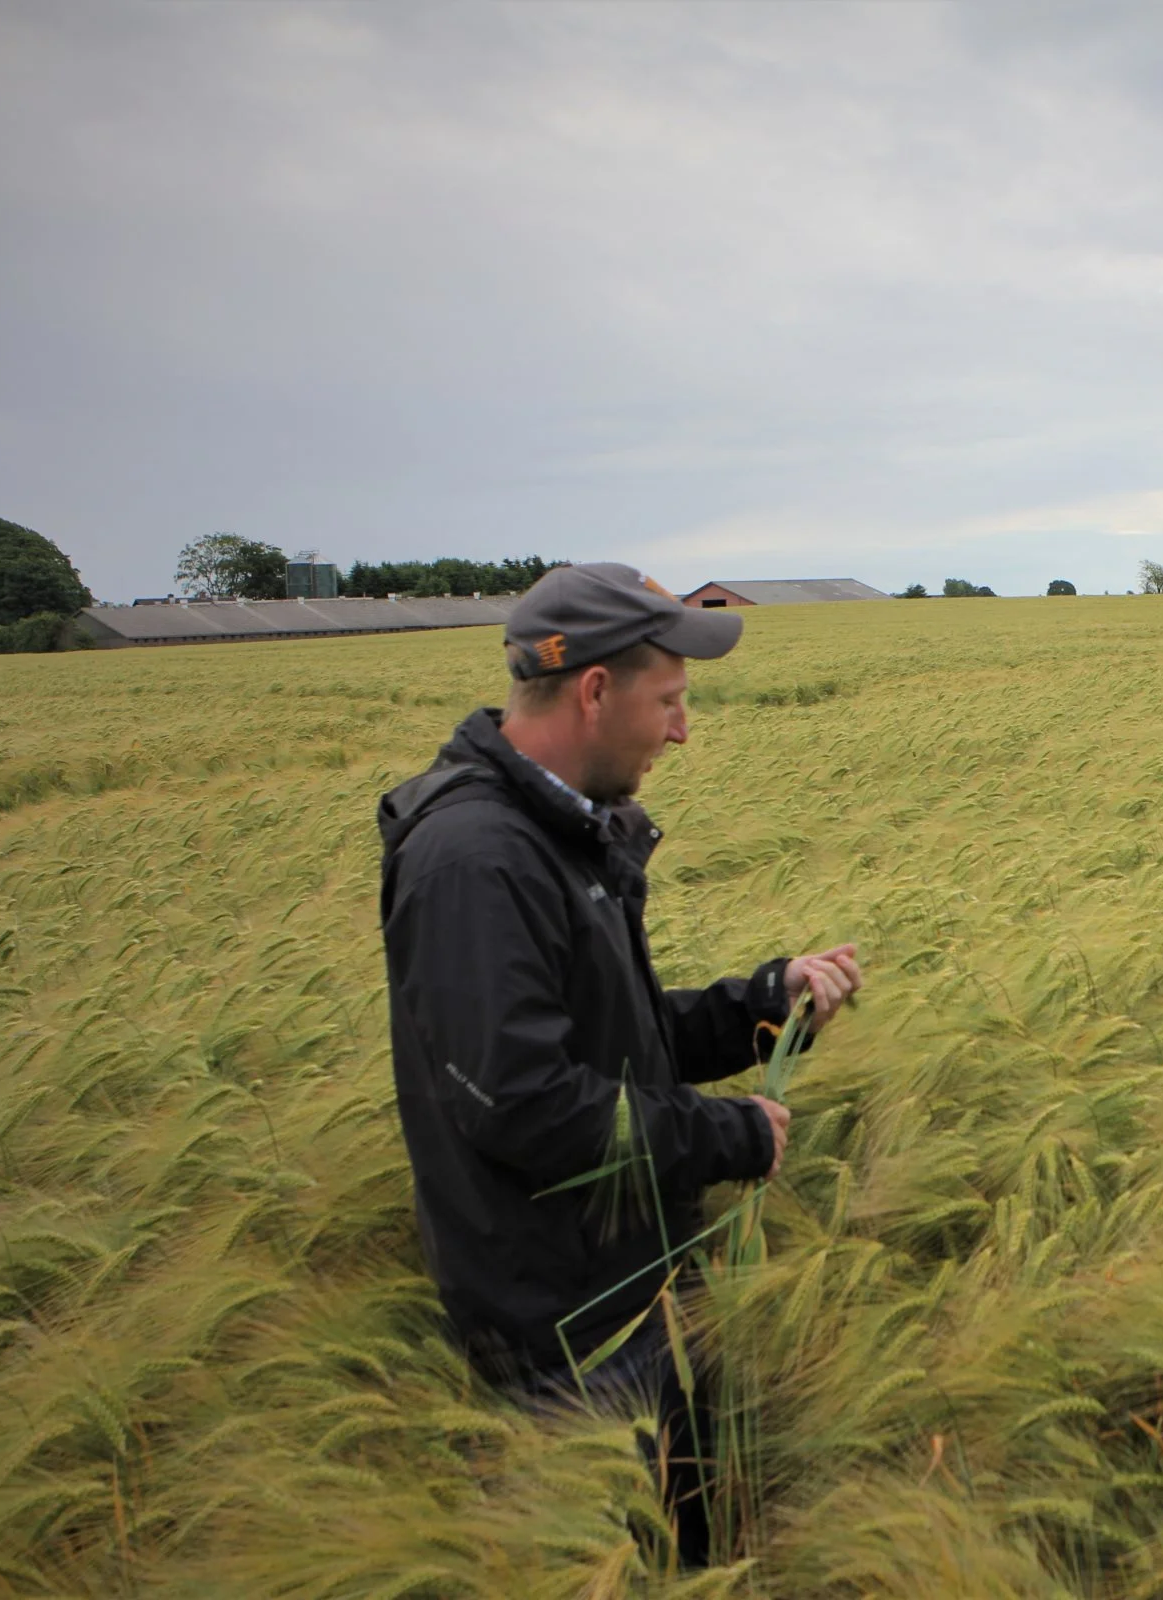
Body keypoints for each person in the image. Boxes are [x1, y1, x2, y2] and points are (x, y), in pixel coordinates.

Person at [377, 561, 862, 1562]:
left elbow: (616, 1040)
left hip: (625, 1292)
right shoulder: (476, 857)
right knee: (625, 1568)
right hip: (568, 1329)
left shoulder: (553, 838)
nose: (682, 730)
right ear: (595, 691)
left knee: (688, 1549)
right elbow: (524, 1102)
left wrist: (764, 1003)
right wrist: (728, 1133)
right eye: (671, 700)